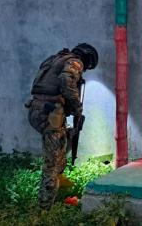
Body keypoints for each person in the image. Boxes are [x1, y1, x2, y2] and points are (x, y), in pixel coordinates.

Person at [27, 43, 98, 210]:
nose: (83, 69)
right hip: (50, 114)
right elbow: (66, 81)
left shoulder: (55, 59)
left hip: (36, 110)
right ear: (86, 59)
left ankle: (57, 189)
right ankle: (44, 210)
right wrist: (77, 108)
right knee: (52, 165)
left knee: (62, 147)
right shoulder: (75, 62)